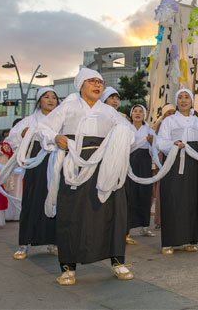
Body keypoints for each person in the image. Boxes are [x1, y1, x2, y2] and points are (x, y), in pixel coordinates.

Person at [38, 68, 134, 285]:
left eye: (99, 82)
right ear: (81, 85)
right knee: (71, 212)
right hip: (74, 164)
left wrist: (123, 134)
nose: (97, 85)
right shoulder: (68, 106)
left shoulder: (109, 111)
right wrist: (56, 136)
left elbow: (130, 134)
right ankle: (68, 267)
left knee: (113, 212)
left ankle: (117, 261)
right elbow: (42, 127)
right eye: (91, 81)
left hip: (105, 165)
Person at [156, 89, 198, 255]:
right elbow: (161, 141)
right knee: (173, 199)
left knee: (191, 199)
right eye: (180, 97)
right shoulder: (169, 121)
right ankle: (169, 241)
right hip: (174, 162)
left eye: (186, 97)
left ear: (192, 101)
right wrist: (174, 144)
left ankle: (189, 239)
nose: (183, 101)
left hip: (193, 163)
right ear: (176, 101)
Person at [6, 87, 60, 260]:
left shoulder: (61, 120)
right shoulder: (29, 121)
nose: (51, 100)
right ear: (39, 101)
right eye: (46, 97)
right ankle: (24, 243)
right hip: (35, 161)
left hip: (55, 159)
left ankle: (53, 241)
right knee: (31, 200)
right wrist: (24, 136)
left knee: (54, 200)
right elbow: (12, 138)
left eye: (54, 97)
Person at [126, 104, 158, 244]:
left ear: (144, 115)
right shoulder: (126, 128)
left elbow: (154, 150)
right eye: (135, 111)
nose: (137, 114)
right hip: (130, 162)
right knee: (130, 194)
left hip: (144, 163)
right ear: (131, 114)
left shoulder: (149, 131)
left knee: (145, 193)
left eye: (140, 111)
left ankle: (145, 226)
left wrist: (151, 143)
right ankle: (126, 230)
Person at [152, 103, 176, 230]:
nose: (171, 115)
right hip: (163, 159)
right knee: (163, 189)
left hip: (176, 159)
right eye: (168, 113)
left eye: (173, 112)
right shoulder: (161, 126)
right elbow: (157, 145)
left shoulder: (178, 124)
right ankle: (160, 220)